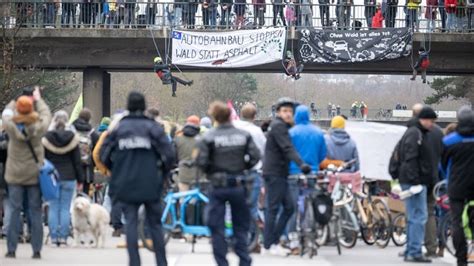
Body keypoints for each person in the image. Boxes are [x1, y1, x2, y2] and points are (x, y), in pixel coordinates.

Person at [100, 92, 175, 266]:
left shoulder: (118, 129)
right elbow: (169, 155)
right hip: (150, 182)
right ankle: (161, 262)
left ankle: (135, 262)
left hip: (126, 182)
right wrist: (162, 173)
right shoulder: (153, 128)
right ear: (143, 106)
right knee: (155, 224)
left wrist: (117, 170)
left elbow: (104, 155)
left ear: (128, 106)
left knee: (131, 224)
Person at [195, 101, 261, 266]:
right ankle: (244, 260)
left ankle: (222, 262)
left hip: (217, 186)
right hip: (238, 184)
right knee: (241, 226)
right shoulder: (243, 135)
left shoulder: (209, 136)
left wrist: (212, 171)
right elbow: (255, 156)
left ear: (215, 117)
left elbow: (201, 161)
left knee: (216, 227)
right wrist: (242, 167)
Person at [2, 88, 52, 259]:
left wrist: (15, 100)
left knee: (15, 211)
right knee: (35, 211)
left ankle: (11, 249)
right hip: (33, 174)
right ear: (31, 108)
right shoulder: (38, 126)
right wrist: (38, 100)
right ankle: (36, 250)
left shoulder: (10, 125)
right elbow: (46, 115)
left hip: (14, 174)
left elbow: (6, 113)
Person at [262, 98, 311, 255]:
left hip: (279, 173)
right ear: (278, 113)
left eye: (290, 111)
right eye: (284, 111)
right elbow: (287, 148)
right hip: (275, 173)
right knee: (273, 209)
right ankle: (269, 244)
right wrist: (301, 164)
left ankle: (272, 240)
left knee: (289, 207)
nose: (288, 114)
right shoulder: (278, 127)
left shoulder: (281, 126)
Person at [398, 106, 438, 263]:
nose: (432, 124)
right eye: (431, 121)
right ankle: (415, 251)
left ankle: (410, 248)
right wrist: (416, 182)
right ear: (424, 119)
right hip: (415, 181)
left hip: (412, 180)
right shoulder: (416, 133)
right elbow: (412, 158)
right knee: (419, 216)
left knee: (414, 215)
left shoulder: (413, 131)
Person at [287, 105, 326, 253]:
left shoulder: (292, 133)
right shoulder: (318, 132)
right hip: (312, 173)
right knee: (312, 202)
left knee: (293, 207)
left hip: (294, 173)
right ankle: (313, 232)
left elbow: (287, 151)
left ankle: (293, 240)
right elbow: (323, 154)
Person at [43, 110, 84, 246]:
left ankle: (54, 237)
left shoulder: (47, 137)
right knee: (66, 208)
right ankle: (63, 237)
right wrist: (80, 180)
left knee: (53, 207)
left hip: (52, 177)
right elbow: (77, 161)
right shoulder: (72, 137)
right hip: (69, 176)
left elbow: (43, 160)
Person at [409, 104, 444, 259]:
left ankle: (413, 247)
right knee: (430, 212)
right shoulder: (438, 133)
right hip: (434, 177)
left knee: (414, 212)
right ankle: (432, 247)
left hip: (419, 177)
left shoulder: (415, 132)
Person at [442, 106, 474, 266]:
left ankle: (461, 259)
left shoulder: (449, 141)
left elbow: (442, 164)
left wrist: (447, 177)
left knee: (457, 222)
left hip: (456, 186)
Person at [233, 103, 267, 251]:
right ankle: (252, 240)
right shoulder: (257, 132)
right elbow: (263, 152)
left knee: (234, 206)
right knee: (252, 207)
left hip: (234, 172)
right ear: (254, 116)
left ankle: (234, 237)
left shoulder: (233, 127)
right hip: (254, 172)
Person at [72, 108, 100, 195]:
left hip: (72, 169)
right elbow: (98, 152)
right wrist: (93, 164)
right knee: (84, 196)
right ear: (89, 119)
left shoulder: (71, 131)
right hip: (87, 169)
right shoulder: (92, 134)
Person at [175, 115, 201, 192]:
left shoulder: (178, 138)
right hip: (198, 175)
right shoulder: (202, 140)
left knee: (183, 198)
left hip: (183, 173)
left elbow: (173, 156)